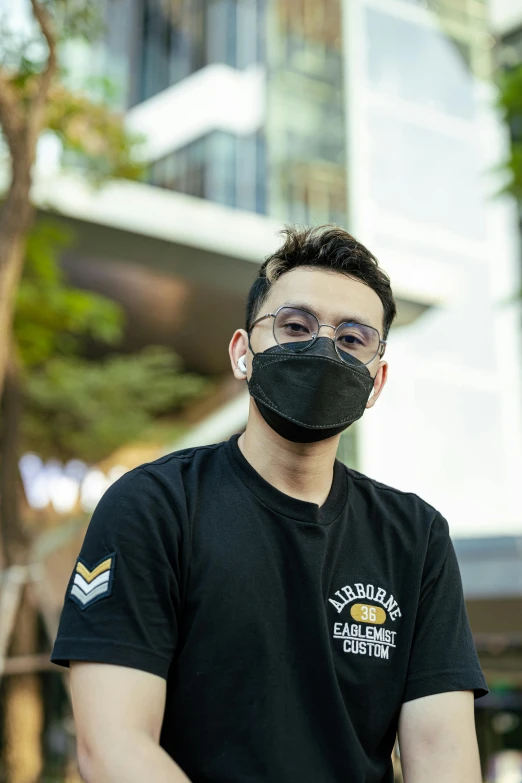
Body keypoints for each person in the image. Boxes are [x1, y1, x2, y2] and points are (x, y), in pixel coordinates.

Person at [51, 225, 488, 783]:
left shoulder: (415, 536)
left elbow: (443, 757)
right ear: (243, 352)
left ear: (376, 382)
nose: (323, 347)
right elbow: (113, 747)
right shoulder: (154, 506)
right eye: (296, 326)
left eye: (352, 338)